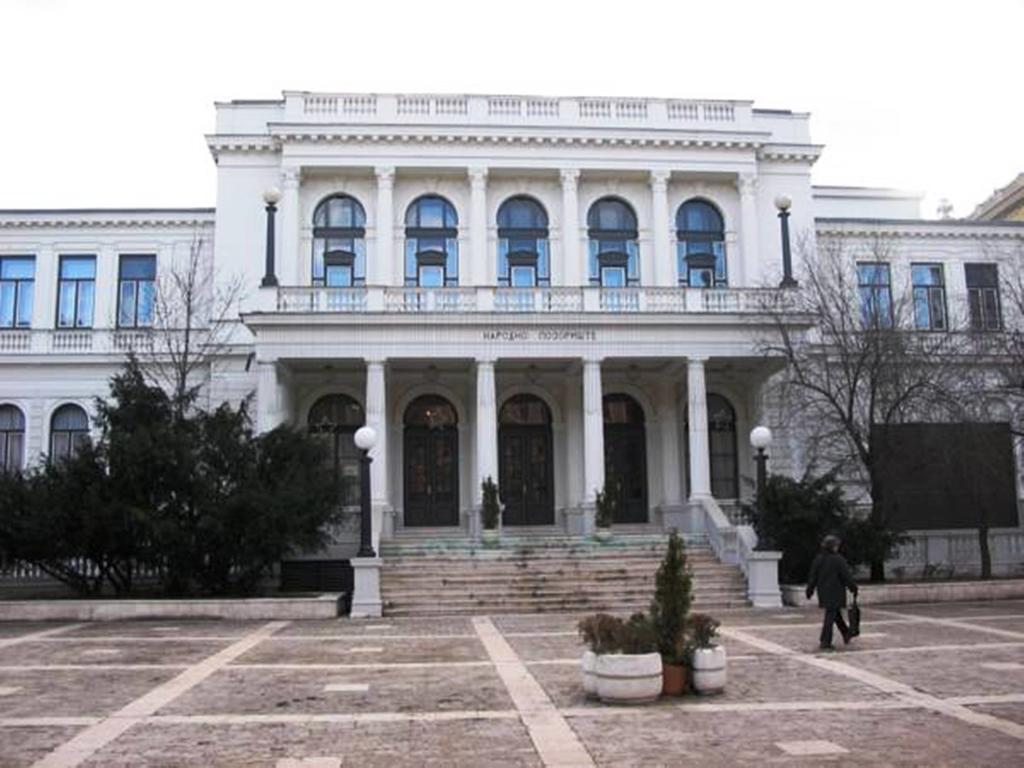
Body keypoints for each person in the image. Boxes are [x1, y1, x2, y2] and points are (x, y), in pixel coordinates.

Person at [805, 535, 858, 650]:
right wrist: (853, 587)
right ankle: (825, 641)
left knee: (834, 613)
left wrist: (810, 590)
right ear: (833, 547)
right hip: (836, 592)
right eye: (836, 545)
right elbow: (846, 576)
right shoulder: (838, 559)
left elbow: (813, 577)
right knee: (830, 615)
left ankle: (846, 633)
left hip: (823, 592)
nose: (837, 547)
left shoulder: (819, 559)